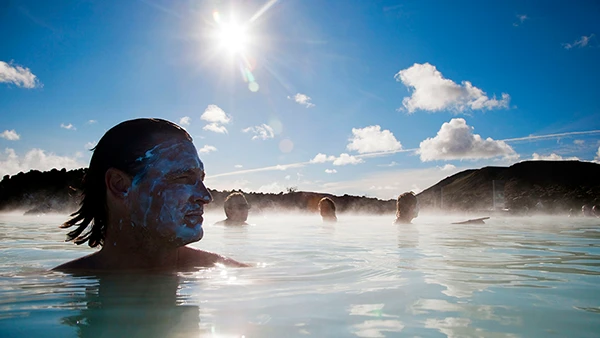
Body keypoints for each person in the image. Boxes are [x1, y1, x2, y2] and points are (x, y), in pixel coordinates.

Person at [53, 118, 246, 271]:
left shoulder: (232, 277)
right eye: (183, 178)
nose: (206, 197)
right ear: (119, 185)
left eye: (201, 179)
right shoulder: (53, 292)